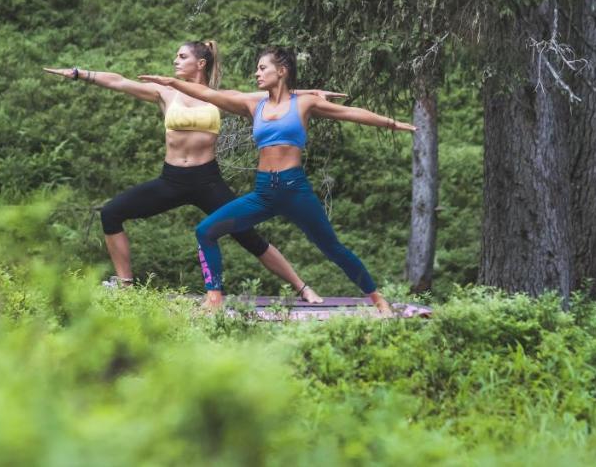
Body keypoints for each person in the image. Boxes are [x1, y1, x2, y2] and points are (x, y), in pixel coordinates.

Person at [43, 41, 330, 302]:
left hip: (208, 181)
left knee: (249, 237)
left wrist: (311, 95)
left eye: (182, 57)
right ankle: (125, 284)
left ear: (200, 63)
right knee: (111, 213)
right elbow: (119, 82)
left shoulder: (218, 97)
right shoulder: (165, 93)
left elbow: (271, 95)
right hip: (172, 180)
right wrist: (80, 73)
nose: (175, 61)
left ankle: (303, 288)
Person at [140, 46, 415, 315]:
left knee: (332, 248)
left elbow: (352, 113)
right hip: (264, 193)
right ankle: (214, 297)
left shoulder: (304, 103)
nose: (257, 74)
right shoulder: (252, 104)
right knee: (206, 231)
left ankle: (378, 299)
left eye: (263, 68)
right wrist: (170, 82)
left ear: (281, 71)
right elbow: (207, 93)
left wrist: (391, 123)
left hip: (295, 190)